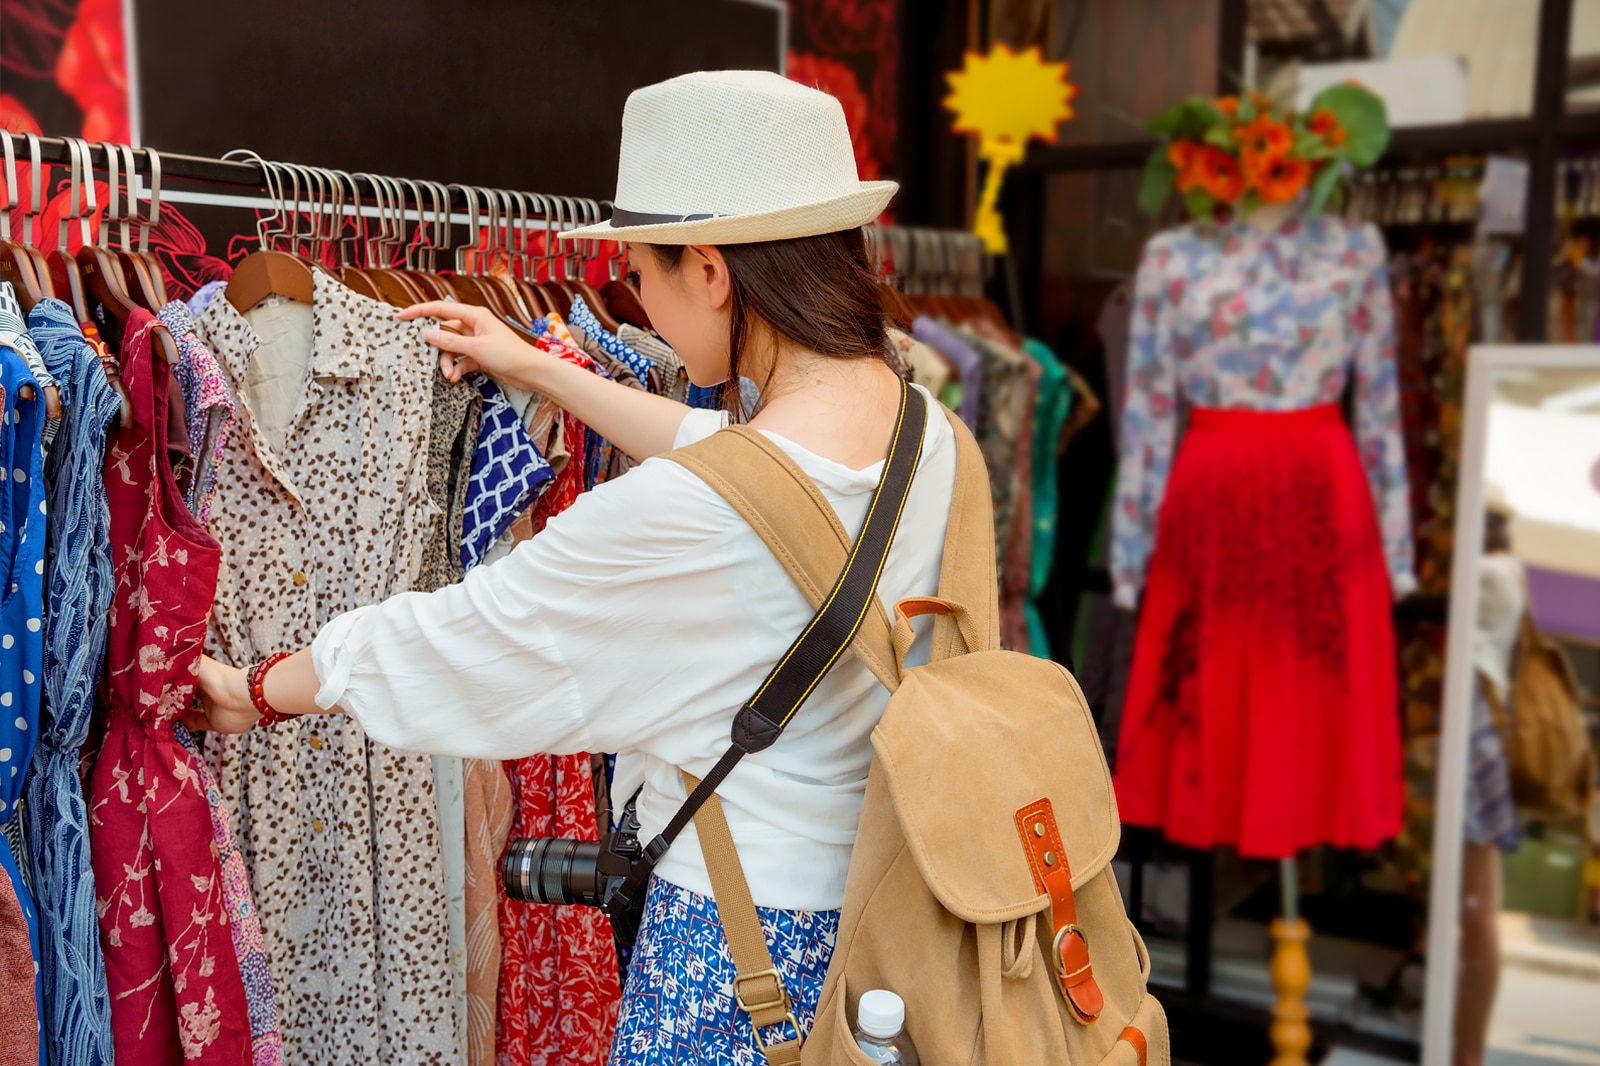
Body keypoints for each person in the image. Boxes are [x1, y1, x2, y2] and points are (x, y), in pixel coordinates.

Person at [186, 70, 960, 1063]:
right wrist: (544, 368)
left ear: (712, 272)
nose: (636, 296)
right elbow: (732, 452)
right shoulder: (916, 428)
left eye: (641, 271)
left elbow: (477, 630)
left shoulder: (689, 507)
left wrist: (265, 686)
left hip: (735, 949)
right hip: (879, 913)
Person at [1455, 487, 1524, 1066]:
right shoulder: (1506, 572)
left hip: (1470, 733)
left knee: (1477, 915)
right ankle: (1461, 1049)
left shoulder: (1489, 573)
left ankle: (1466, 1052)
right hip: (1475, 732)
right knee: (1474, 914)